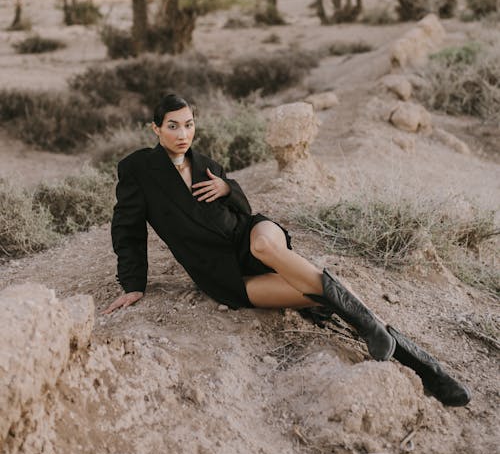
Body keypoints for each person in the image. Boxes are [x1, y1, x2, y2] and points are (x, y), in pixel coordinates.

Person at [104, 93, 470, 407]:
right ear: (155, 129)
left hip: (253, 235)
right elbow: (127, 226)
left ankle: (378, 332)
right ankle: (426, 369)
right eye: (173, 126)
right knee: (319, 294)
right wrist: (133, 282)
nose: (183, 134)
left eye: (188, 124)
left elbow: (242, 210)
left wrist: (229, 190)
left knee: (265, 245)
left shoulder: (206, 164)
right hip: (223, 273)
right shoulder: (138, 169)